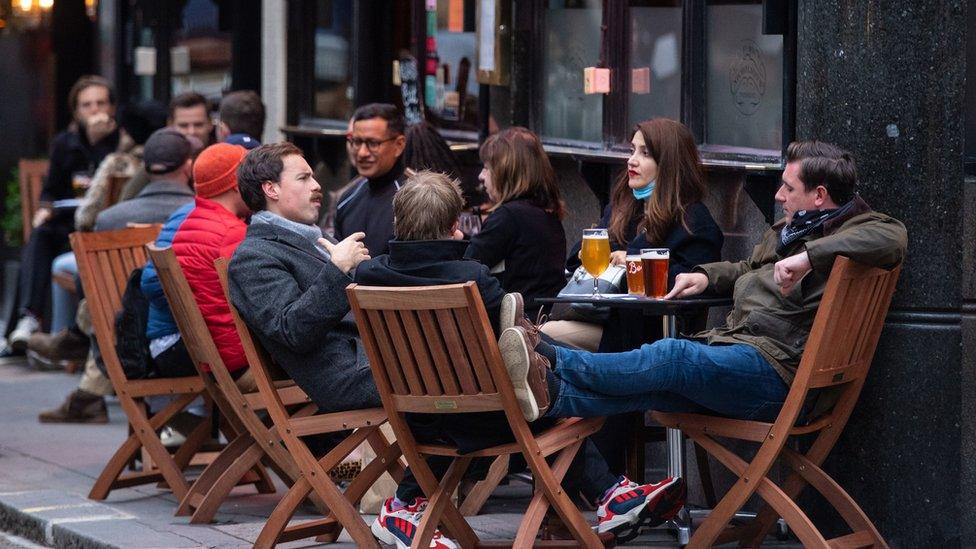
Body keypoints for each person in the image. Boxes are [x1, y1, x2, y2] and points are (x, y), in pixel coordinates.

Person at [228, 147, 680, 548]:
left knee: (503, 387)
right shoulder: (256, 256)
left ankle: (411, 506)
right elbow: (291, 331)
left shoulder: (306, 245)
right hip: (355, 376)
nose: (316, 185)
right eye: (303, 177)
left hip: (395, 366)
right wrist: (338, 271)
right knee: (511, 392)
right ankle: (619, 465)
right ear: (269, 189)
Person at [494, 140, 907, 441]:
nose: (778, 195)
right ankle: (553, 395)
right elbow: (749, 267)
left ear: (820, 196)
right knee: (656, 386)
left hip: (779, 377)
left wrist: (808, 257)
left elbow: (894, 235)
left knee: (673, 356)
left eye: (789, 188)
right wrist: (707, 276)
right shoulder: (790, 229)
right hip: (739, 350)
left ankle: (550, 360)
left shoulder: (858, 230)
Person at [355, 170, 684, 546]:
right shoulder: (472, 277)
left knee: (544, 398)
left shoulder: (369, 276)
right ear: (453, 226)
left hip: (416, 416)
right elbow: (517, 338)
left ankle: (406, 503)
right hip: (484, 418)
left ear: (399, 222)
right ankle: (612, 492)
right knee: (553, 405)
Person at [38, 129, 198, 424]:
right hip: (189, 349)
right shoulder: (199, 217)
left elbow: (89, 290)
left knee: (97, 307)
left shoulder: (110, 219)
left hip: (124, 348)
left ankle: (74, 339)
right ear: (189, 167)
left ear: (146, 169)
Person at [544, 118, 724, 351]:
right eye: (632, 151)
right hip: (597, 315)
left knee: (539, 337)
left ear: (669, 163)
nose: (631, 160)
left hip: (646, 336)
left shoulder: (694, 222)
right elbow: (576, 256)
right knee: (532, 336)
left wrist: (630, 261)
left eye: (645, 153)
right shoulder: (624, 207)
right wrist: (605, 253)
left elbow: (687, 289)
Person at [26, 100, 169, 369]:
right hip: (154, 263)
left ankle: (71, 339)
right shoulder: (182, 160)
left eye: (102, 103)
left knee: (82, 267)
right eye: (88, 104)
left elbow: (87, 219)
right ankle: (69, 336)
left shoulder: (117, 162)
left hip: (123, 258)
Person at [6, 75, 121, 352]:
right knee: (41, 234)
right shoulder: (64, 143)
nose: (94, 110)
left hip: (105, 225)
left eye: (100, 103)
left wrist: (100, 141)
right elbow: (50, 191)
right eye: (87, 105)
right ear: (76, 111)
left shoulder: (123, 141)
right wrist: (43, 211)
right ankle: (30, 318)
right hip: (68, 224)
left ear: (112, 108)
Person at [140, 143, 251, 381]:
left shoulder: (191, 222)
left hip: (204, 352)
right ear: (236, 184)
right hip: (235, 360)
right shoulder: (231, 232)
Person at [464, 127, 566, 320]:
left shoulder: (509, 217)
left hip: (518, 326)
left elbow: (466, 266)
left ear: (506, 172)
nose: (481, 176)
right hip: (543, 317)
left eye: (487, 168)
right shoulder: (546, 212)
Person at [334, 103, 409, 256]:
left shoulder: (416, 201)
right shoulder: (346, 199)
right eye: (357, 142)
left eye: (373, 143)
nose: (362, 153)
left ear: (399, 145)